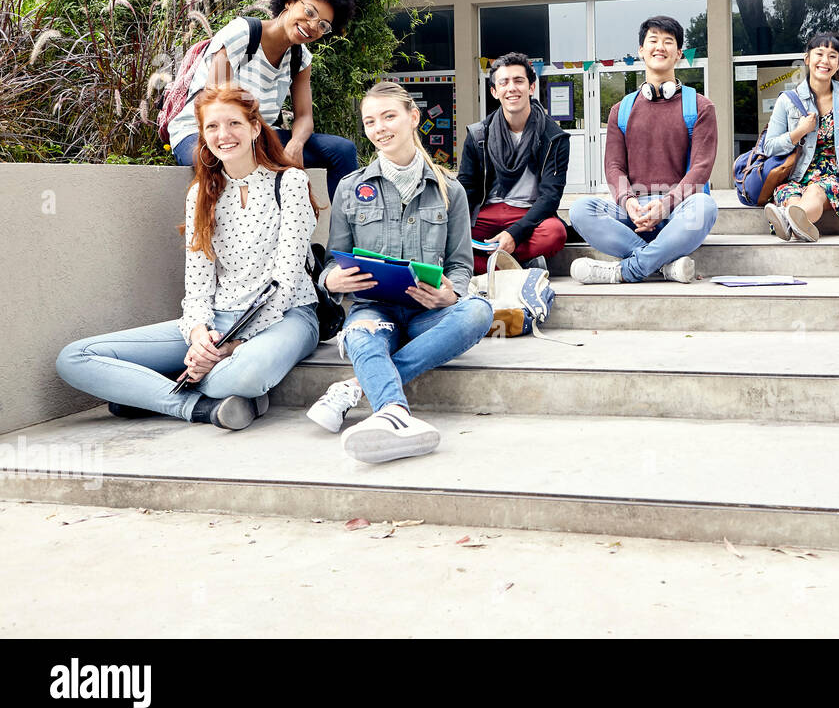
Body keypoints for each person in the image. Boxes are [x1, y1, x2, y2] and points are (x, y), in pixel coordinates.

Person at [56, 86, 322, 430]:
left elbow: (283, 283)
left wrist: (231, 347)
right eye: (212, 127)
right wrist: (199, 335)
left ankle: (151, 392)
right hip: (218, 320)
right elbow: (197, 288)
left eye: (234, 124)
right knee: (74, 358)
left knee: (245, 374)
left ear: (255, 127)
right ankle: (199, 408)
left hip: (286, 317)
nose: (223, 135)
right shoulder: (201, 193)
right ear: (203, 135)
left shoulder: (290, 183)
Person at [305, 82, 494, 464]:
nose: (379, 128)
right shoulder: (349, 188)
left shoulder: (450, 190)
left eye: (389, 116)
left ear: (413, 117)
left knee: (478, 311)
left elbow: (459, 263)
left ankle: (358, 385)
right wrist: (331, 280)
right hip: (374, 309)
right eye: (370, 121)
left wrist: (451, 294)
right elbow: (331, 261)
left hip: (430, 313)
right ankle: (394, 411)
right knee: (360, 332)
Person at [168, 0, 360, 199]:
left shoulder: (300, 58)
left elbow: (304, 117)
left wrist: (295, 145)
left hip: (259, 135)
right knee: (224, 157)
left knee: (342, 150)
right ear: (290, 1)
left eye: (322, 25)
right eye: (309, 12)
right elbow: (216, 104)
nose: (312, 26)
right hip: (202, 133)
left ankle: (345, 234)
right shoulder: (243, 34)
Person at [568, 15, 718, 284]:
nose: (660, 47)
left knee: (705, 206)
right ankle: (660, 264)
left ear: (679, 54)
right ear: (641, 51)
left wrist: (666, 204)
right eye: (653, 40)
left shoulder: (700, 106)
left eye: (668, 42)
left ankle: (627, 270)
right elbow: (613, 167)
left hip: (678, 210)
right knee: (580, 210)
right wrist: (628, 201)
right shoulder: (621, 110)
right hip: (633, 212)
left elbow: (701, 169)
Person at [458, 52, 570, 274]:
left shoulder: (554, 137)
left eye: (519, 81)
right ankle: (518, 267)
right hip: (486, 212)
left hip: (528, 213)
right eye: (504, 82)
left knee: (555, 233)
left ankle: (487, 266)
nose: (512, 88)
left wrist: (515, 233)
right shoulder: (478, 135)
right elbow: (466, 187)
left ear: (531, 87)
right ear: (494, 91)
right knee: (446, 236)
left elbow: (550, 197)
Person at [762, 31, 839, 242]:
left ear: (838, 64)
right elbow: (769, 147)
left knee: (816, 191)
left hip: (834, 177)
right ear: (807, 58)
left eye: (832, 56)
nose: (825, 61)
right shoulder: (787, 100)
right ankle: (798, 224)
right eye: (819, 53)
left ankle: (785, 219)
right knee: (788, 194)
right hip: (797, 176)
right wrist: (799, 131)